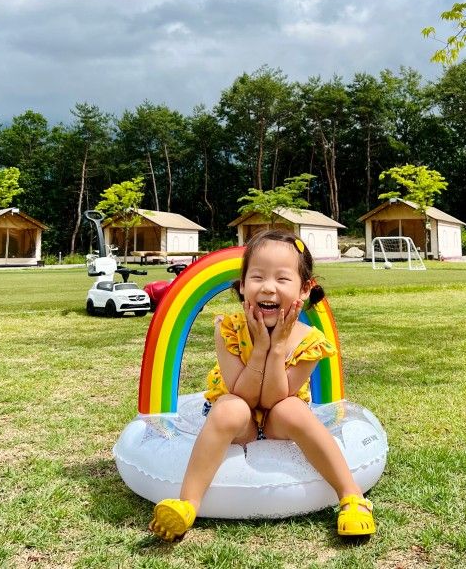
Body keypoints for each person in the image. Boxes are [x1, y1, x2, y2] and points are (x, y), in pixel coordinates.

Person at [149, 229, 375, 540]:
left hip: (277, 418)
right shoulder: (228, 329)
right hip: (237, 416)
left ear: (305, 288)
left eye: (282, 279)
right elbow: (242, 393)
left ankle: (352, 497)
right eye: (257, 277)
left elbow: (273, 401)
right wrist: (259, 351)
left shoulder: (309, 342)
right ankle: (188, 503)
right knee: (232, 408)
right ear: (243, 285)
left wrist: (278, 347)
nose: (268, 288)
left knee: (291, 409)